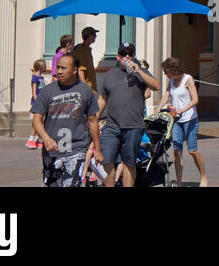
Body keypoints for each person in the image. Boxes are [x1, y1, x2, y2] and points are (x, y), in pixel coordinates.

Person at [30, 51, 102, 187]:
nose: (59, 71)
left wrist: (97, 149)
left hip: (76, 149)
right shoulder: (47, 91)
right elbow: (36, 119)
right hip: (52, 151)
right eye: (58, 67)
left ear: (75, 70)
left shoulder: (85, 91)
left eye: (64, 68)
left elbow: (93, 121)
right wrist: (45, 138)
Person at [97, 42, 159, 187]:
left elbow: (156, 86)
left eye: (130, 53)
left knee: (129, 163)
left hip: (133, 126)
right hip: (111, 125)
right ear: (118, 56)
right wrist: (93, 119)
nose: (127, 56)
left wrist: (139, 71)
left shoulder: (141, 72)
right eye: (124, 54)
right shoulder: (110, 74)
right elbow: (102, 99)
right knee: (107, 161)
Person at [159, 57, 208, 188]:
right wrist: (159, 106)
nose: (165, 74)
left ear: (174, 70)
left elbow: (195, 99)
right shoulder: (170, 80)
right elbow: (167, 94)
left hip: (190, 119)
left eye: (166, 71)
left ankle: (203, 176)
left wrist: (183, 109)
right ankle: (179, 182)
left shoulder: (188, 79)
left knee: (192, 150)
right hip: (176, 120)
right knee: (177, 150)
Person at [25, 59, 47, 149]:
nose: (45, 68)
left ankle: (36, 140)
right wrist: (37, 101)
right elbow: (34, 91)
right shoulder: (35, 78)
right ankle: (31, 139)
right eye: (44, 66)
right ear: (41, 67)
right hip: (37, 102)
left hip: (42, 101)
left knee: (41, 121)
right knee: (36, 121)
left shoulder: (41, 78)